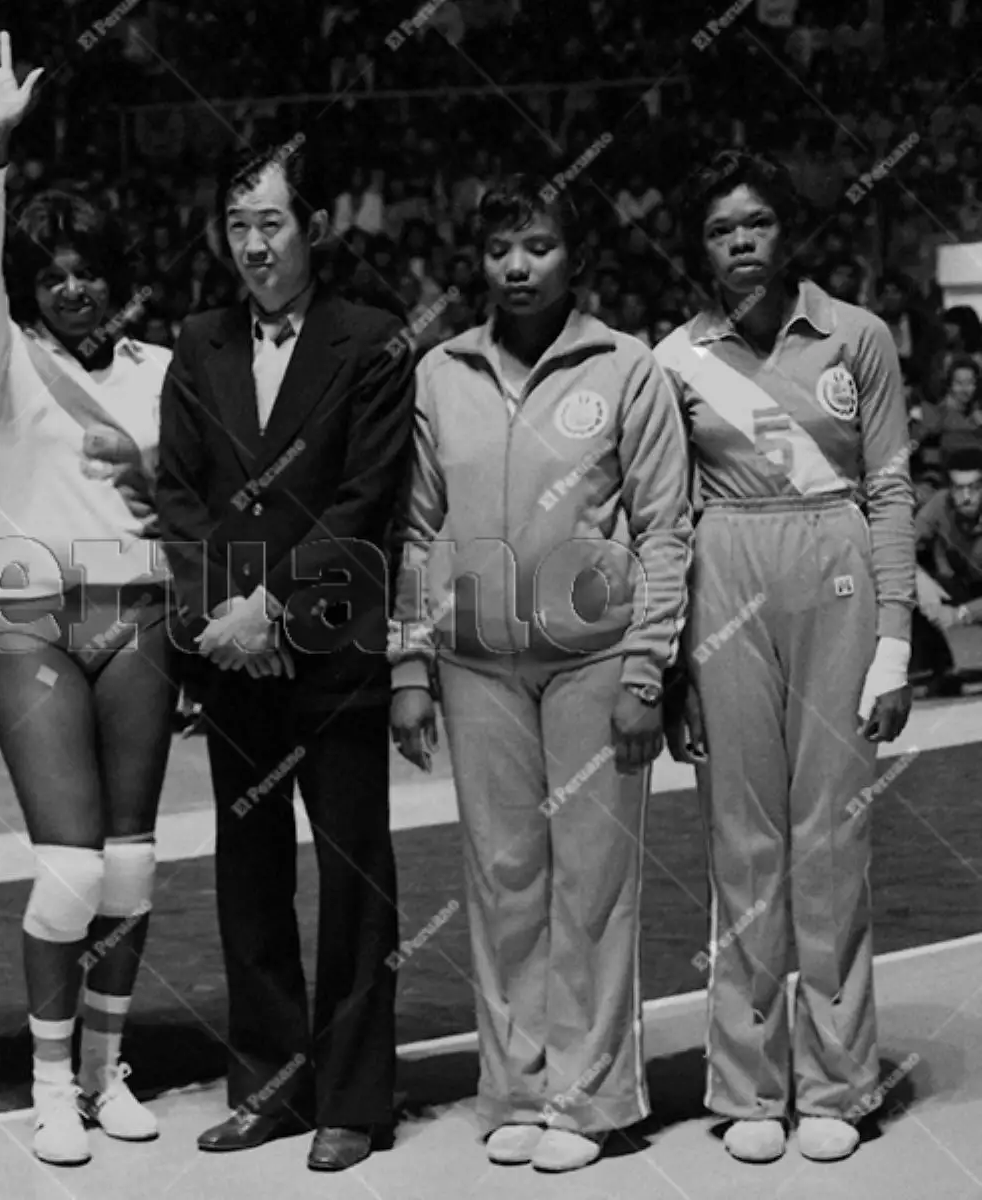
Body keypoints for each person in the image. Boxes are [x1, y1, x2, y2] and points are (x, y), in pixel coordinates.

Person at [389, 177, 693, 1172]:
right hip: (477, 669)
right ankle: (516, 1086)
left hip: (595, 664)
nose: (517, 268)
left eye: (538, 247)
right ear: (474, 265)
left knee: (595, 885)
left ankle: (594, 1098)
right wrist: (409, 661)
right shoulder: (439, 373)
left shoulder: (628, 367)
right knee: (504, 880)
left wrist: (649, 669)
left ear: (576, 256)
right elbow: (418, 527)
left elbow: (664, 531)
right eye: (498, 251)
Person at [153, 134, 416, 1174]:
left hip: (331, 646)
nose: (254, 246)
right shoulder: (198, 341)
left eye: (271, 224)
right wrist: (227, 616)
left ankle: (356, 1096)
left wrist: (277, 607)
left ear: (312, 227)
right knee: (248, 877)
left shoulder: (375, 340)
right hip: (232, 656)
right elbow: (178, 497)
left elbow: (367, 499)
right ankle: (271, 1087)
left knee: (355, 878)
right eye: (237, 226)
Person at [656, 150, 914, 1166]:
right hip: (726, 575)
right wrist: (674, 659)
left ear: (789, 230)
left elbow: (891, 487)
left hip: (837, 567)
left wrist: (895, 637)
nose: (744, 242)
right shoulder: (671, 360)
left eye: (759, 222)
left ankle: (841, 1084)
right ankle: (751, 1082)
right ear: (703, 248)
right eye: (723, 230)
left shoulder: (860, 337)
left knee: (832, 839)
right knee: (741, 839)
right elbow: (665, 517)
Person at [0, 25, 176, 1167]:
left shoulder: (162, 375)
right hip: (32, 619)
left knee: (132, 866)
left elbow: (203, 503)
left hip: (142, 619)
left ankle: (105, 1067)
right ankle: (45, 1083)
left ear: (114, 274)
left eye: (87, 266)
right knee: (72, 867)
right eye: (53, 272)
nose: (72, 283)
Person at [912, 439, 982, 691]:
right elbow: (898, 548)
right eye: (958, 488)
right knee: (901, 582)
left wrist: (961, 614)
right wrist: (921, 584)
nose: (965, 497)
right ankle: (937, 669)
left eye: (974, 488)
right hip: (965, 583)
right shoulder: (940, 504)